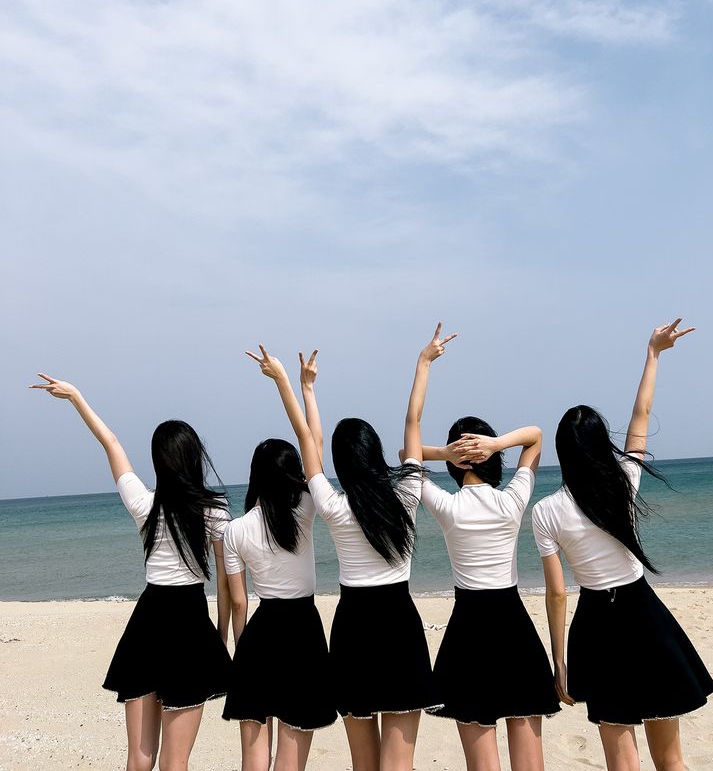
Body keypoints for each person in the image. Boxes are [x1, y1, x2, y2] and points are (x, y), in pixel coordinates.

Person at [246, 323, 457, 771]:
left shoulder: (333, 506)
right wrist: (424, 362)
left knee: (364, 764)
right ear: (376, 453)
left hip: (353, 630)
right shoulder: (406, 493)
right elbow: (414, 422)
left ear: (341, 463)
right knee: (399, 765)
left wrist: (292, 383)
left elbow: (308, 440)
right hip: (399, 626)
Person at [531, 319, 713, 771]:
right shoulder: (623, 481)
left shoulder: (545, 511)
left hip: (596, 624)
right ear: (599, 444)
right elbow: (642, 416)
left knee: (620, 756)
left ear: (562, 452)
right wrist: (653, 355)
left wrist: (560, 663)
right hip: (644, 615)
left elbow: (557, 594)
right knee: (670, 758)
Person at [29, 374, 232, 771]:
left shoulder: (144, 505)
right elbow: (226, 585)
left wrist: (76, 397)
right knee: (177, 762)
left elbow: (112, 443)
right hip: (190, 625)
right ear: (194, 458)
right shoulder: (215, 510)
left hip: (147, 621)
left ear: (158, 462)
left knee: (139, 759)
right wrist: (219, 638)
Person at [417, 416, 560, 771]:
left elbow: (409, 454)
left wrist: (447, 453)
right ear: (492, 459)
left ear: (454, 465)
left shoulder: (448, 507)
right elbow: (535, 437)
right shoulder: (512, 501)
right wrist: (494, 445)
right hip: (514, 630)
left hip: (467, 635)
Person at [222, 349, 337, 771]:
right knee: (291, 757)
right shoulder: (305, 508)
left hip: (258, 637)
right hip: (302, 633)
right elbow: (315, 443)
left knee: (254, 758)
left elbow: (238, 602)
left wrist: (240, 650)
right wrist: (301, 387)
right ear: (293, 473)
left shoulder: (235, 530)